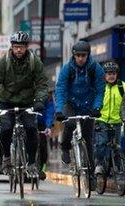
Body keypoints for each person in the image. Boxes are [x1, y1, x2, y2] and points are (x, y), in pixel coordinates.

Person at [0, 31, 48, 179]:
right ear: (12, 47)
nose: (18, 50)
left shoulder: (34, 62)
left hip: (27, 102)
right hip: (6, 101)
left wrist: (39, 100)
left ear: (26, 47)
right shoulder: (4, 62)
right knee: (6, 129)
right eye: (15, 47)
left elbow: (42, 84)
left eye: (21, 47)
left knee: (31, 130)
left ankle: (32, 163)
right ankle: (6, 158)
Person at [55, 40, 105, 190]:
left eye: (83, 55)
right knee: (69, 124)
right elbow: (61, 89)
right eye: (78, 55)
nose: (81, 58)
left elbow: (100, 90)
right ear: (74, 55)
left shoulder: (95, 69)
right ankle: (65, 146)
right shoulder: (67, 69)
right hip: (71, 104)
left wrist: (96, 107)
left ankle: (90, 176)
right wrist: (59, 110)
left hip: (88, 106)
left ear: (88, 55)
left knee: (88, 140)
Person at [93, 61, 125, 189]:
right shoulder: (100, 87)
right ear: (104, 75)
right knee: (101, 144)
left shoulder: (122, 86)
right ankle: (99, 164)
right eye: (108, 74)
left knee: (117, 148)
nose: (111, 76)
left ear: (116, 74)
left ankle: (119, 173)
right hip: (102, 120)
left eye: (113, 73)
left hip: (117, 122)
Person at [37, 90, 55, 180]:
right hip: (28, 121)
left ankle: (41, 169)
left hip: (41, 124)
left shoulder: (46, 96)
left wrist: (48, 125)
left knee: (43, 146)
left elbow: (50, 111)